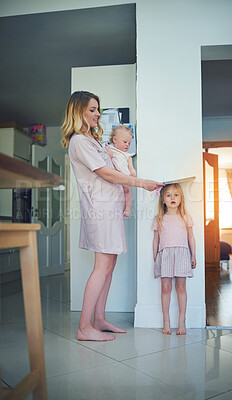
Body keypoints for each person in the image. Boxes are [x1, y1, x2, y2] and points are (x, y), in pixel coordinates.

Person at [61, 91, 162, 342]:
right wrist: (141, 183)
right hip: (101, 211)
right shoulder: (80, 142)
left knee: (110, 265)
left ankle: (100, 319)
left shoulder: (92, 141)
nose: (97, 114)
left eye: (98, 109)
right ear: (78, 111)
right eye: (92, 109)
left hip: (110, 210)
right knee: (102, 266)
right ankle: (84, 327)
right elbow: (107, 174)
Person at [152, 183, 196, 335]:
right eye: (168, 195)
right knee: (165, 288)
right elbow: (156, 240)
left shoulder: (185, 217)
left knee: (181, 287)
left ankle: (182, 322)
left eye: (176, 195)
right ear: (163, 199)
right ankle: (166, 322)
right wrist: (155, 257)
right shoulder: (159, 218)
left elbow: (191, 237)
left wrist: (193, 255)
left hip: (182, 254)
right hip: (165, 255)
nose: (172, 198)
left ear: (181, 198)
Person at [106, 125, 136, 217]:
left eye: (129, 143)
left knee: (127, 191)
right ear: (115, 140)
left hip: (125, 177)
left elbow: (131, 167)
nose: (127, 145)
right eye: (125, 142)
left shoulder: (128, 155)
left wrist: (132, 172)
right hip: (114, 176)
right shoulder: (110, 149)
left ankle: (127, 208)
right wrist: (108, 153)